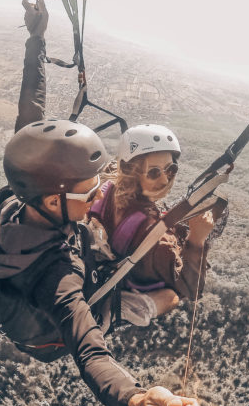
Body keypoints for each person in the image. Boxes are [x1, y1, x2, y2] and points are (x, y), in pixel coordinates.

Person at [0, 0, 201, 406]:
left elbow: (30, 117)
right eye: (88, 190)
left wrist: (36, 41)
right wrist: (136, 402)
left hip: (26, 297)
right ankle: (130, 305)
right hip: (50, 334)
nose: (100, 190)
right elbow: (89, 350)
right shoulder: (58, 276)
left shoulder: (17, 198)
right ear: (55, 200)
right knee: (172, 299)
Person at [88, 124, 225, 324]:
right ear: (132, 172)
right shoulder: (159, 240)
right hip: (128, 278)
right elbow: (190, 288)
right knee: (172, 297)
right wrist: (196, 240)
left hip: (108, 254)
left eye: (171, 169)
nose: (164, 179)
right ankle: (122, 309)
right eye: (154, 172)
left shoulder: (107, 186)